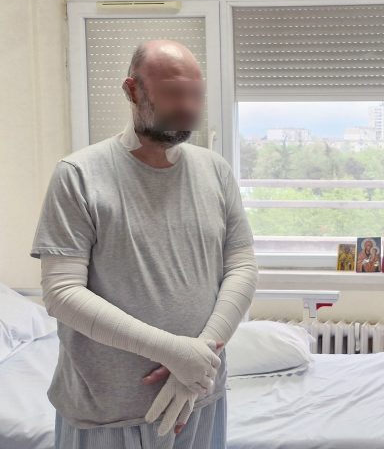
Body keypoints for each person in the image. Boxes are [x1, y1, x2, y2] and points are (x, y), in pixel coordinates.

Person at [30, 40, 258, 449]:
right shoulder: (79, 175)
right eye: (173, 92)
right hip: (106, 411)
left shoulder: (215, 171)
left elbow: (241, 266)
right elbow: (62, 293)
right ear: (132, 90)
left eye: (196, 93)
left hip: (200, 396)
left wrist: (196, 360)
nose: (188, 105)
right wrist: (173, 351)